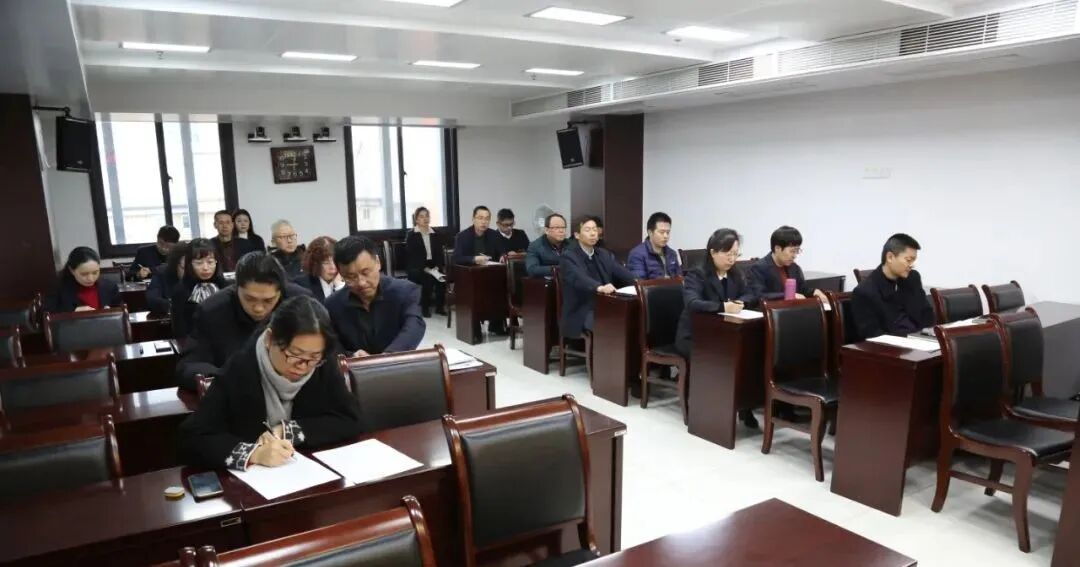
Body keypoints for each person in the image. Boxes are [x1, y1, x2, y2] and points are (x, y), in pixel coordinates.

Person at [177, 295, 363, 471]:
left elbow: (351, 419)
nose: (303, 367)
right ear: (269, 339)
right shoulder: (240, 369)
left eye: (314, 357)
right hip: (253, 481)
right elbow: (193, 438)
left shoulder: (322, 365)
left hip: (307, 471)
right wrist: (254, 454)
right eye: (294, 355)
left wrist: (288, 430)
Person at [175, 251, 313, 391]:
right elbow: (189, 366)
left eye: (268, 300)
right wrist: (228, 379)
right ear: (236, 288)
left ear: (281, 292)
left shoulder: (301, 304)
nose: (258, 308)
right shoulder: (212, 310)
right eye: (250, 299)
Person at [674, 228, 759, 427]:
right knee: (717, 359)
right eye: (727, 254)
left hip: (725, 336)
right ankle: (703, 408)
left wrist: (742, 302)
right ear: (713, 252)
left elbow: (751, 294)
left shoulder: (736, 273)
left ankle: (744, 407)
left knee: (750, 356)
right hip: (695, 337)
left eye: (735, 254)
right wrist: (722, 307)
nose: (732, 259)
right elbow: (692, 303)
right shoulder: (697, 274)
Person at [325, 235, 425, 357]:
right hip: (354, 367)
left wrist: (387, 357)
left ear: (377, 262)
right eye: (351, 277)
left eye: (365, 272)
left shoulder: (405, 291)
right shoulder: (332, 305)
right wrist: (351, 355)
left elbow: (414, 326)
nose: (361, 283)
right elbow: (331, 344)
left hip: (397, 363)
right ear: (340, 274)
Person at [558, 216, 636, 339]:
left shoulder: (603, 254)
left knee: (633, 318)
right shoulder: (568, 256)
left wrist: (640, 283)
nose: (593, 233)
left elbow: (622, 272)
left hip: (605, 305)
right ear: (577, 235)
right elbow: (580, 278)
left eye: (594, 229)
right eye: (587, 230)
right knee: (613, 324)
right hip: (581, 310)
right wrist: (599, 287)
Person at [852, 233, 935, 339]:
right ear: (890, 257)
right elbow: (873, 335)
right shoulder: (864, 292)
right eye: (908, 260)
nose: (912, 265)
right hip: (894, 346)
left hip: (921, 340)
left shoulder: (912, 278)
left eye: (913, 260)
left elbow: (927, 315)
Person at [749, 226, 829, 303]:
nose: (794, 255)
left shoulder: (794, 267)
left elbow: (802, 289)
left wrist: (814, 292)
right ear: (777, 248)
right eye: (792, 251)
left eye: (797, 251)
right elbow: (759, 296)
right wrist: (787, 296)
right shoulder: (759, 268)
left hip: (793, 309)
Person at [170, 238, 228, 340]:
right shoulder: (181, 290)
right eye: (199, 263)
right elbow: (180, 329)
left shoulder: (226, 287)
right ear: (189, 264)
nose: (205, 268)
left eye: (210, 262)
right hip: (195, 344)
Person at [44, 247, 123, 313]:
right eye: (84, 274)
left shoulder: (109, 286)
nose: (90, 278)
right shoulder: (59, 288)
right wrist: (73, 311)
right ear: (72, 270)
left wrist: (112, 312)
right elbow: (46, 312)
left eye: (95, 272)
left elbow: (120, 310)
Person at [405, 207, 446, 317]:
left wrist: (437, 266)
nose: (425, 219)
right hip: (417, 266)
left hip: (433, 264)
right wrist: (424, 268)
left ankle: (440, 307)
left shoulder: (435, 233)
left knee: (442, 278)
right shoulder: (411, 235)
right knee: (427, 278)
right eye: (421, 216)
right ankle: (425, 308)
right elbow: (412, 256)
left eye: (427, 216)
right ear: (416, 220)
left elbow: (439, 253)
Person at [627, 212, 682, 280]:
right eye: (661, 232)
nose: (666, 236)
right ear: (650, 232)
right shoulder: (637, 254)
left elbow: (680, 279)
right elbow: (639, 282)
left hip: (673, 287)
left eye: (668, 232)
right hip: (652, 287)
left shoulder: (671, 253)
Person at [293, 236, 344, 303]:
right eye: (326, 262)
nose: (333, 267)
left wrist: (339, 286)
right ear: (315, 263)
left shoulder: (347, 282)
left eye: (335, 261)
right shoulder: (301, 285)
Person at [146, 243, 188, 314]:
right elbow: (151, 299)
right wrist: (172, 305)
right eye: (184, 268)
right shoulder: (162, 273)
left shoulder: (200, 274)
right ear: (175, 264)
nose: (188, 272)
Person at [525, 213, 568, 277]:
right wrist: (560, 269)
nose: (561, 231)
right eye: (557, 227)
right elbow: (532, 269)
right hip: (549, 281)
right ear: (546, 230)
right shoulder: (535, 246)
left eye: (563, 227)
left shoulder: (571, 244)